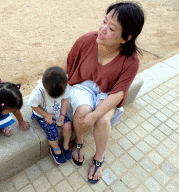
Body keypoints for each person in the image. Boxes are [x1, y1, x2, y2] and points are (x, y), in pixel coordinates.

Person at [61, 1, 145, 184]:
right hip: (83, 84)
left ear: (126, 38)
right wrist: (52, 85)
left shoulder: (131, 60)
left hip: (109, 92)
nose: (102, 29)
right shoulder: (86, 40)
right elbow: (68, 63)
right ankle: (79, 140)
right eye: (104, 21)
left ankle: (99, 157)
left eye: (112, 28)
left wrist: (96, 114)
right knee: (83, 112)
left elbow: (118, 93)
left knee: (102, 119)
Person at [28, 66, 72, 164]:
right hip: (42, 113)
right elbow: (33, 105)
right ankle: (56, 149)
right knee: (52, 133)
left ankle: (65, 146)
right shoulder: (38, 92)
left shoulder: (64, 87)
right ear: (43, 85)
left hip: (58, 111)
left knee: (68, 126)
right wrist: (46, 115)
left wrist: (63, 114)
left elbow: (64, 100)